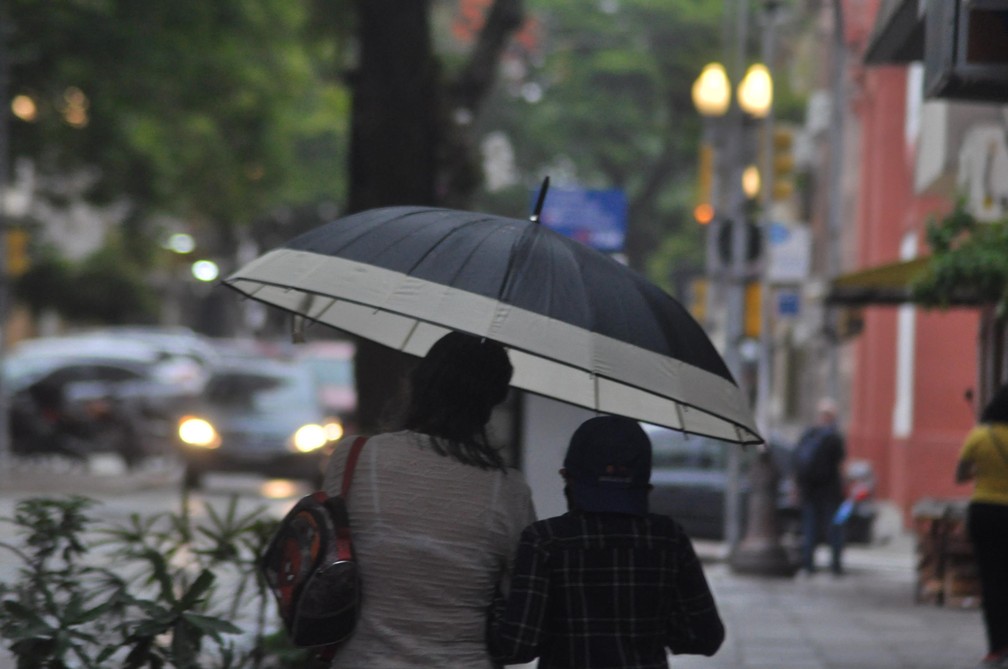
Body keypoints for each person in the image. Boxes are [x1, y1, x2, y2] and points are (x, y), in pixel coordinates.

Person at [320, 331, 536, 668]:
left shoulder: (356, 458)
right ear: (493, 401)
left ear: (420, 383)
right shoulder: (509, 490)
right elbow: (521, 599)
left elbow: (323, 561)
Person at [488, 415, 725, 668]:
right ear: (646, 487)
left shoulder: (544, 541)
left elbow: (517, 646)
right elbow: (706, 637)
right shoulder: (669, 538)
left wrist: (493, 605)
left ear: (567, 477)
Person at [956, 383, 1008, 669]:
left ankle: (996, 647)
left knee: (991, 580)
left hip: (985, 511)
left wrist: (983, 470)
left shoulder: (979, 436)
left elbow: (960, 475)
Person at [791, 397, 846, 575]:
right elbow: (840, 462)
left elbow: (797, 462)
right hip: (828, 491)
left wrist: (797, 487)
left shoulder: (809, 434)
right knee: (831, 528)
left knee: (811, 528)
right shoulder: (833, 437)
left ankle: (809, 565)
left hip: (811, 490)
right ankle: (834, 565)